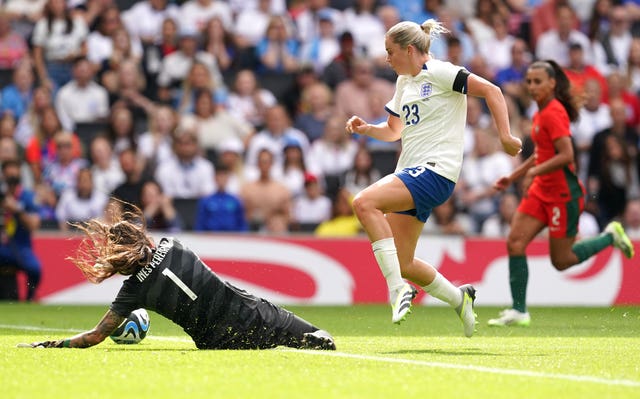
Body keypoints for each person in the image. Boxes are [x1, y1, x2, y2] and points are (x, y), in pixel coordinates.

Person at [344, 19, 522, 335]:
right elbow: (394, 130)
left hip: (434, 170)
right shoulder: (404, 84)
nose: (387, 59)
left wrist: (505, 136)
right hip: (412, 174)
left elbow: (492, 91)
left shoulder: (442, 72)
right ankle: (459, 298)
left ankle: (397, 289)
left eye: (390, 52)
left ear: (409, 49)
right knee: (404, 260)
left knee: (363, 203)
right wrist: (367, 129)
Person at [21, 205, 335, 350]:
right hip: (253, 313)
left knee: (274, 346)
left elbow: (95, 336)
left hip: (217, 342)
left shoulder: (132, 293)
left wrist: (52, 344)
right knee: (321, 340)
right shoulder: (172, 244)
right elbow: (152, 252)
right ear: (141, 237)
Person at [487, 60, 636, 328]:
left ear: (552, 83)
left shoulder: (554, 113)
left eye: (538, 82)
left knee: (562, 260)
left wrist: (533, 173)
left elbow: (567, 155)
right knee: (515, 242)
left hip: (562, 196)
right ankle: (519, 310)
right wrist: (514, 175)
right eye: (529, 82)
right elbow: (540, 154)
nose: (532, 87)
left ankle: (610, 236)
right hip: (541, 192)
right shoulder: (539, 113)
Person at [0, 159, 42, 300]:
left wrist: (17, 210)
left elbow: (34, 225)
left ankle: (30, 298)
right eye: (8, 170)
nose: (11, 174)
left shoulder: (27, 196)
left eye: (14, 170)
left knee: (35, 269)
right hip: (2, 246)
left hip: (21, 246)